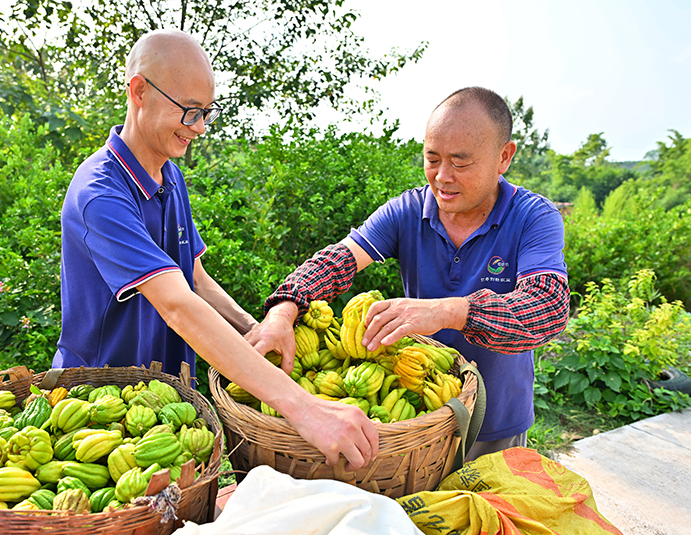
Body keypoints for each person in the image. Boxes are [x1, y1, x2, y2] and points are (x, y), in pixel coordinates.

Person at [52, 29, 378, 470]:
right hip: (98, 412)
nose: (200, 128)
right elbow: (177, 305)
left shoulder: (170, 178)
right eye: (188, 111)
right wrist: (303, 408)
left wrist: (254, 331)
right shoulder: (101, 195)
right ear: (139, 91)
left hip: (162, 407)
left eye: (206, 113)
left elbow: (196, 279)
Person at [249, 87, 570, 461]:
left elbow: (547, 308)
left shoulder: (534, 218)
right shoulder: (408, 210)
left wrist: (446, 311)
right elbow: (337, 260)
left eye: (460, 163)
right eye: (432, 159)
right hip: (413, 425)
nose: (443, 177)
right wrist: (284, 309)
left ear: (504, 157)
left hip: (495, 424)